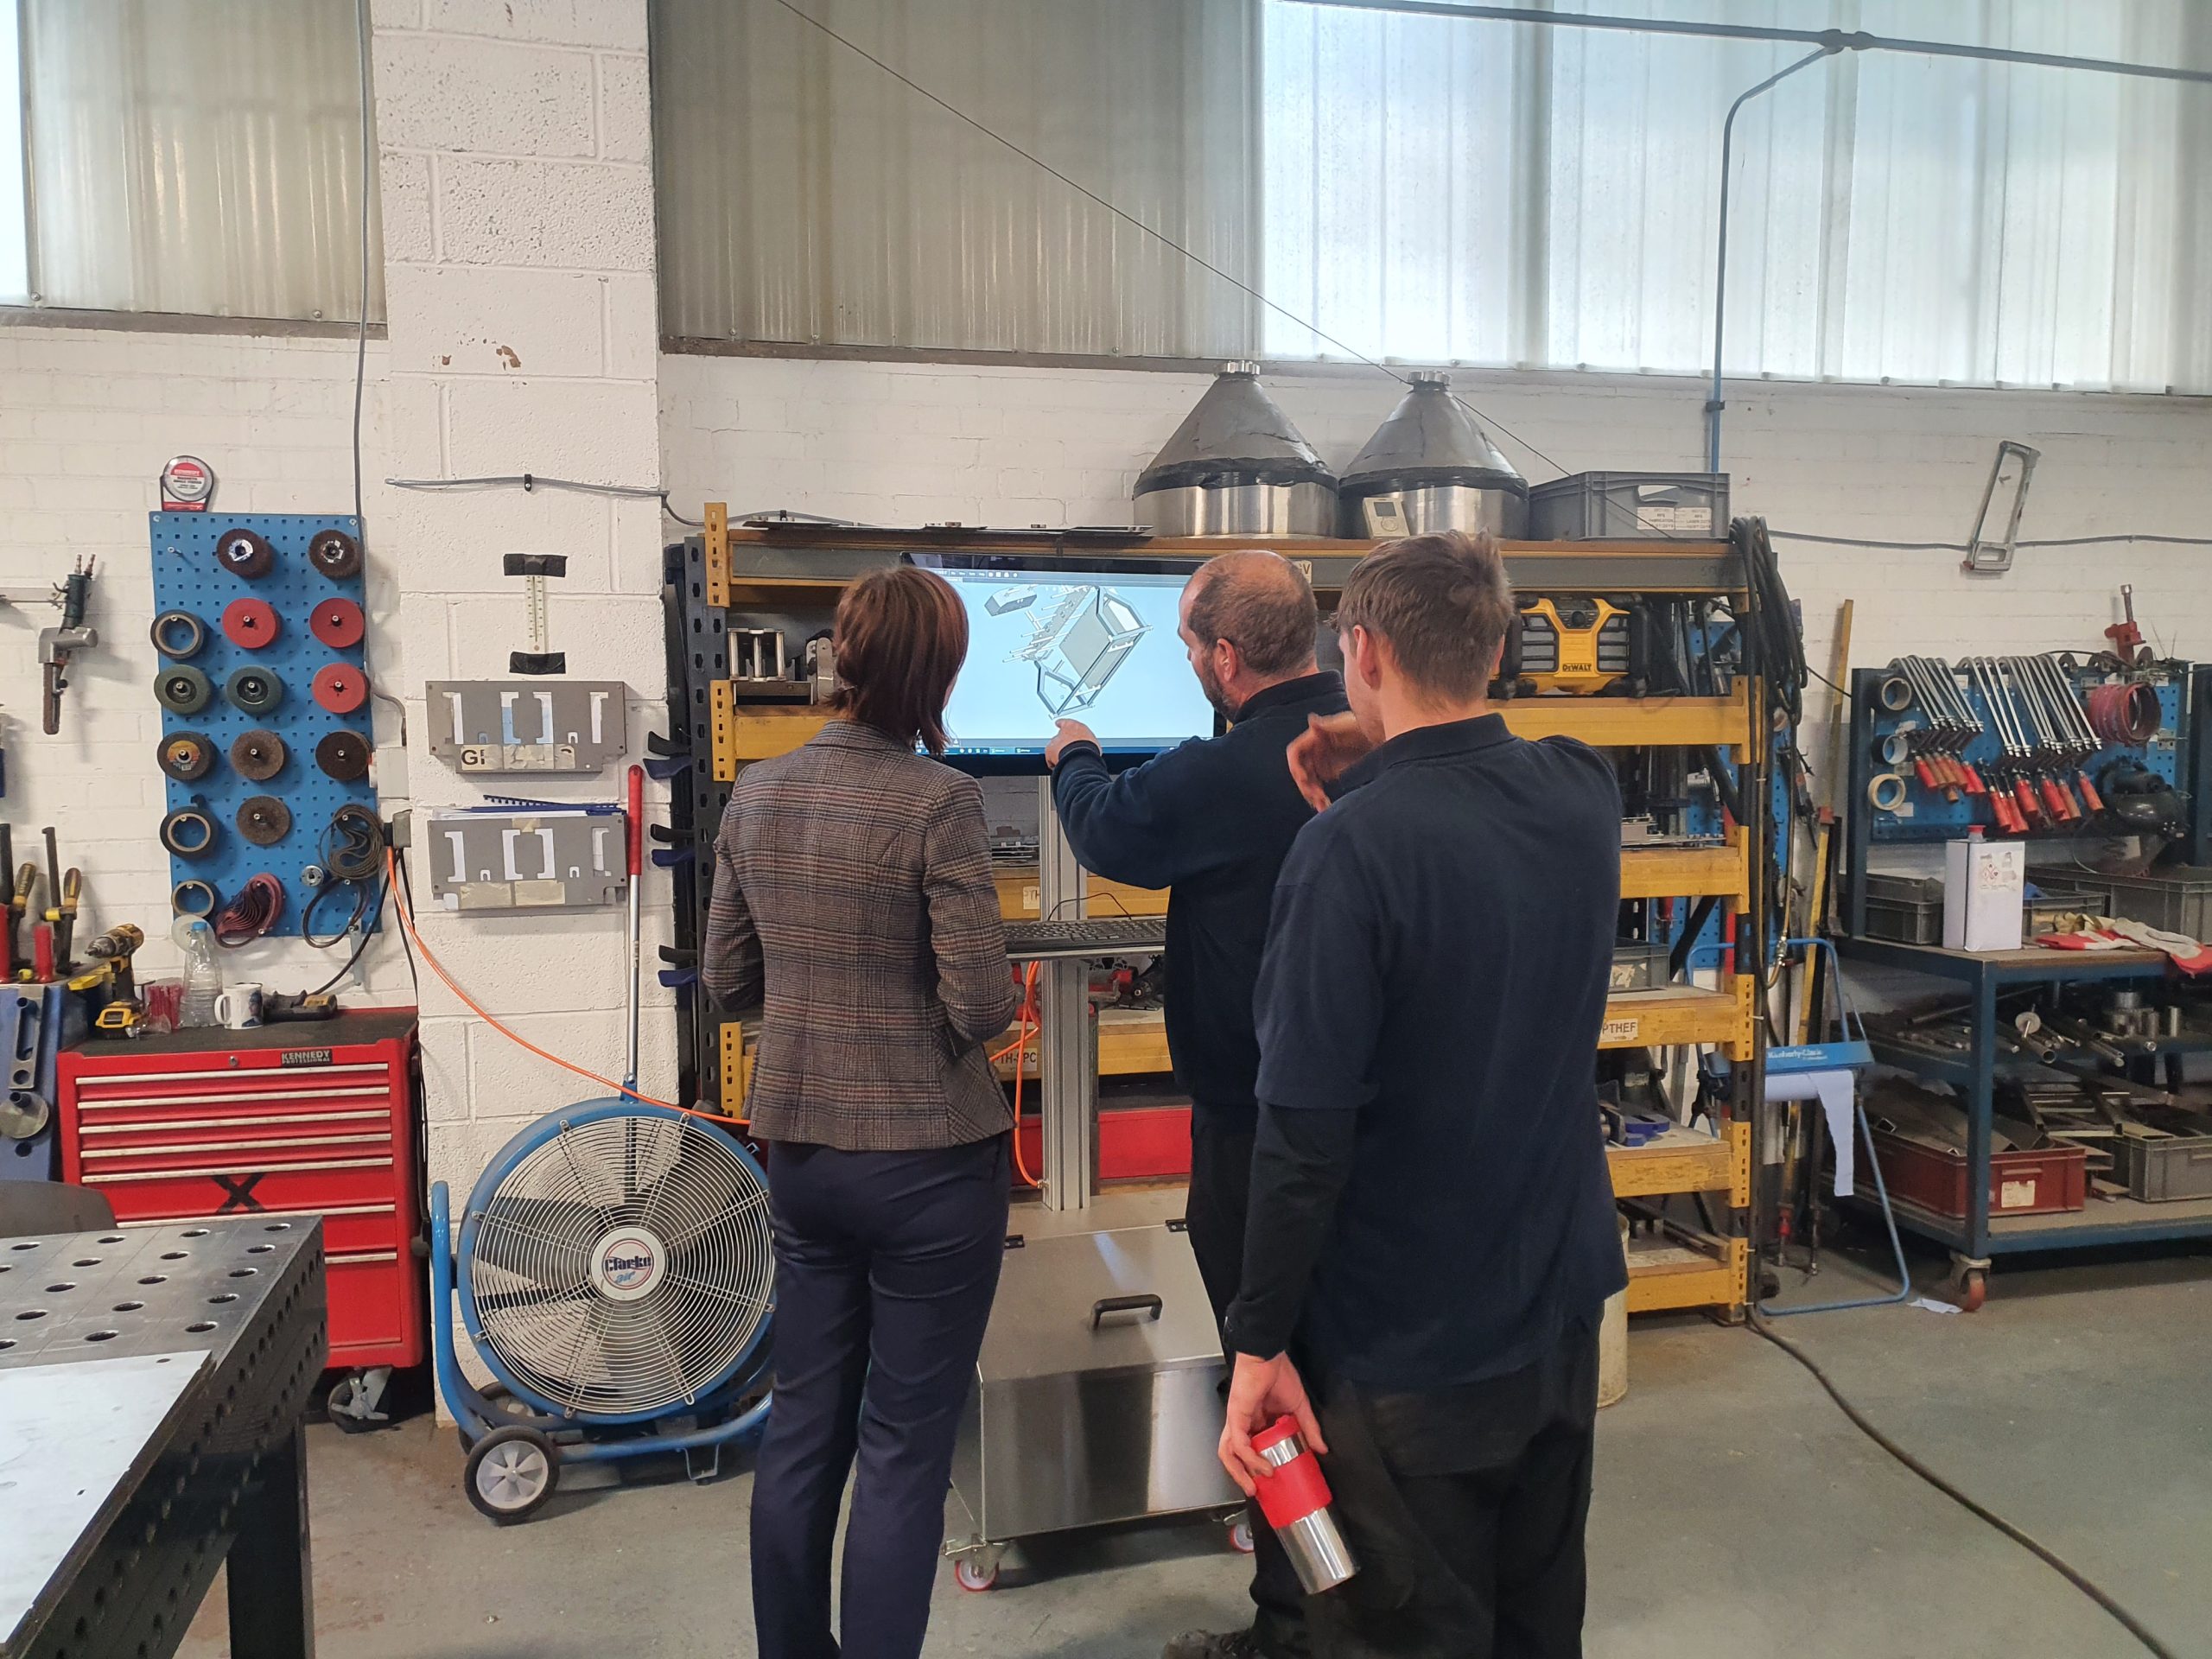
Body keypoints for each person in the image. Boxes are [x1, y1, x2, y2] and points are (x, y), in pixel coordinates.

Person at [1217, 531, 1628, 1659]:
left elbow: (1302, 1140)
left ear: (1360, 653)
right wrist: (1384, 735)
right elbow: (1485, 757)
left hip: (1406, 1352)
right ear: (1494, 650)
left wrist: (1258, 1344)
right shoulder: (1582, 791)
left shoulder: (1347, 852)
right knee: (1538, 1627)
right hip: (1556, 1323)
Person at [704, 564, 1020, 1659]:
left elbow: (727, 982)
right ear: (940, 674)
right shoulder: (941, 800)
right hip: (928, 1161)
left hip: (801, 1153)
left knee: (804, 1424)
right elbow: (981, 1004)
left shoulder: (758, 792)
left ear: (839, 655)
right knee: (903, 1448)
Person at [1043, 549, 1347, 1659]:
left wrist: (1074, 754)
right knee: (1352, 1375)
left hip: (1255, 1131)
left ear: (1223, 658)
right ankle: (1366, 1609)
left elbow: (1108, 827)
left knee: (1266, 1376)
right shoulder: (1368, 743)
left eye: (1184, 644)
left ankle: (1292, 1626)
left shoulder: (1229, 769)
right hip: (1374, 1128)